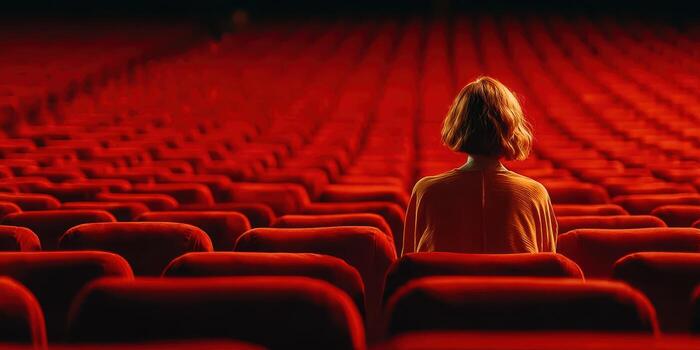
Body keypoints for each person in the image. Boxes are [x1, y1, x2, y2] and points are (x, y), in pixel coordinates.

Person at [402, 77, 557, 255]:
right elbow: (547, 270)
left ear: (458, 125)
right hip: (513, 284)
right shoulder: (535, 194)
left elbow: (410, 267)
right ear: (512, 128)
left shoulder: (426, 191)